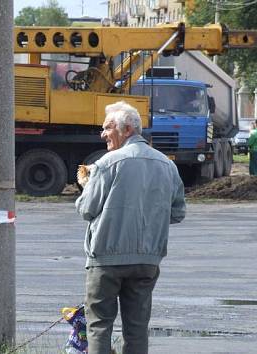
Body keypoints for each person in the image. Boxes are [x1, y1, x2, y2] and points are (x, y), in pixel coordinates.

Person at [75, 101, 186, 354]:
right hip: (147, 259)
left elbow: (86, 209)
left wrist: (86, 186)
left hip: (106, 259)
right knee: (136, 329)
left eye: (107, 128)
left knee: (99, 325)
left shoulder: (107, 163)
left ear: (126, 130)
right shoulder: (167, 165)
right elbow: (178, 213)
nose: (103, 134)